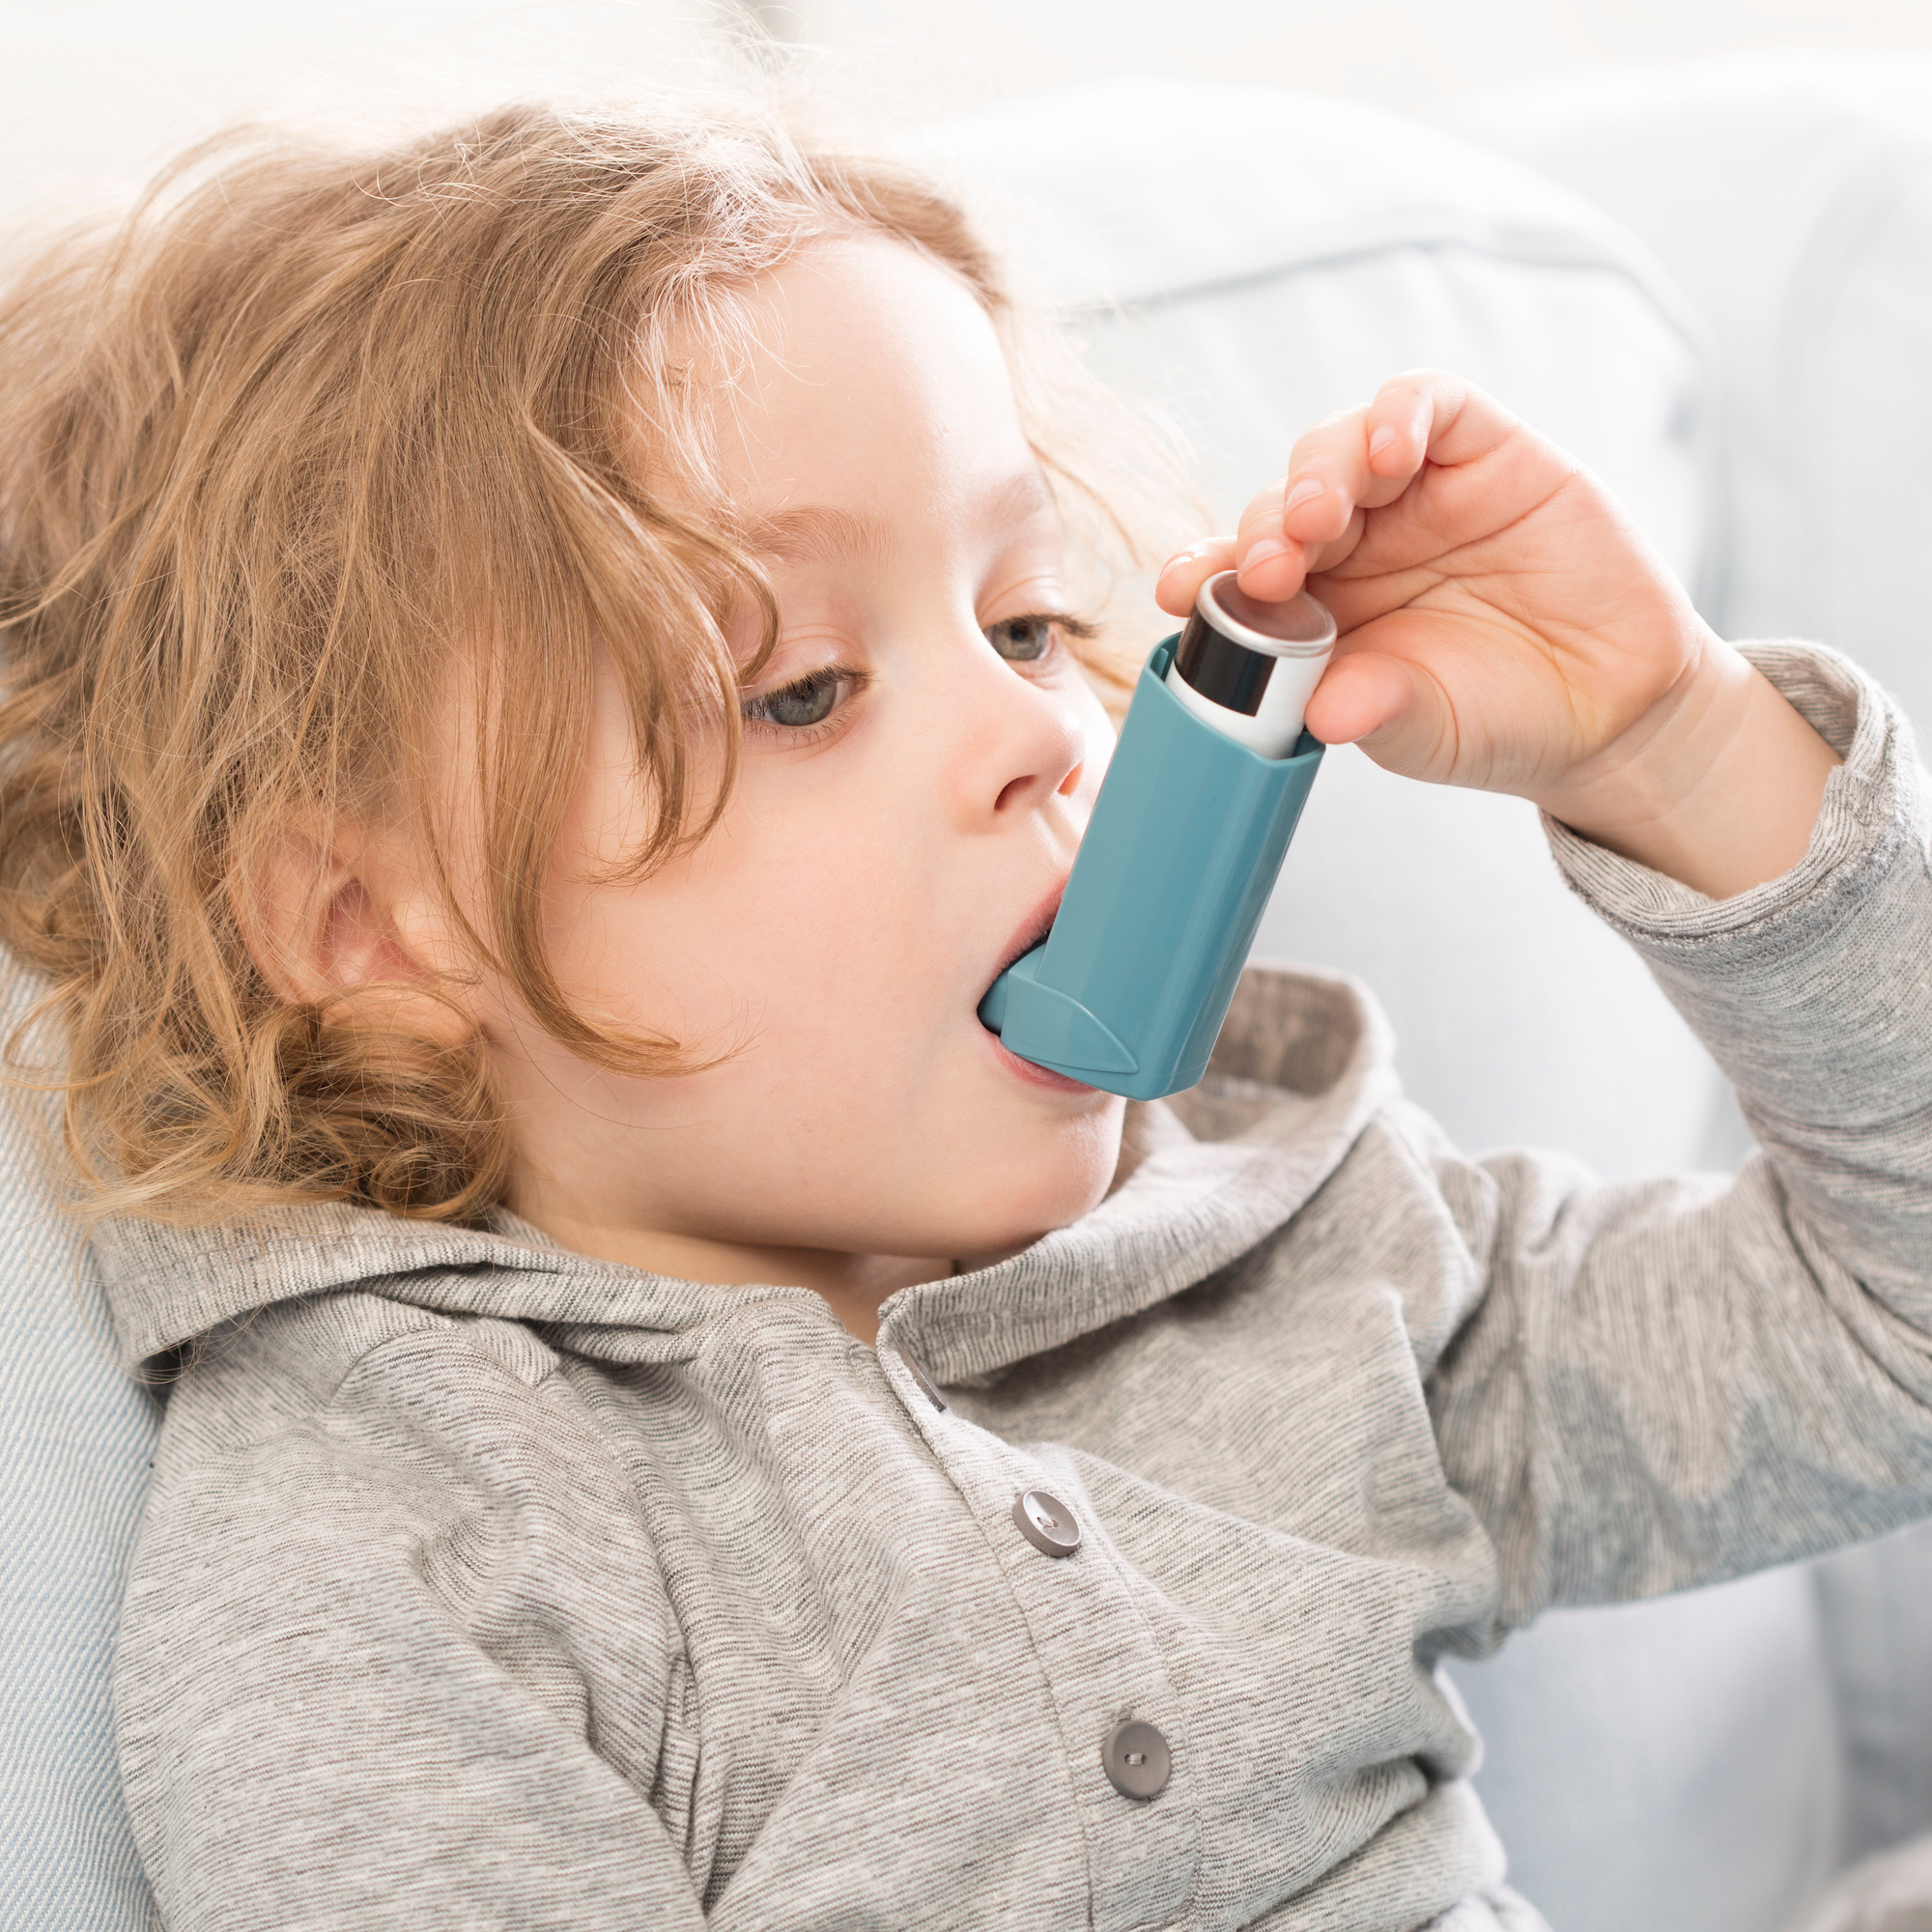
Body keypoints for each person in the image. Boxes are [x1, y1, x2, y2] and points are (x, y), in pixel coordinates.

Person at [0, 90, 1924, 1932]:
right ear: (368, 925)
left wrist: (1679, 746)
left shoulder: (1291, 1257)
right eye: (807, 691)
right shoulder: (403, 1550)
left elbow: (1884, 1345)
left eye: (1019, 620)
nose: (1041, 729)